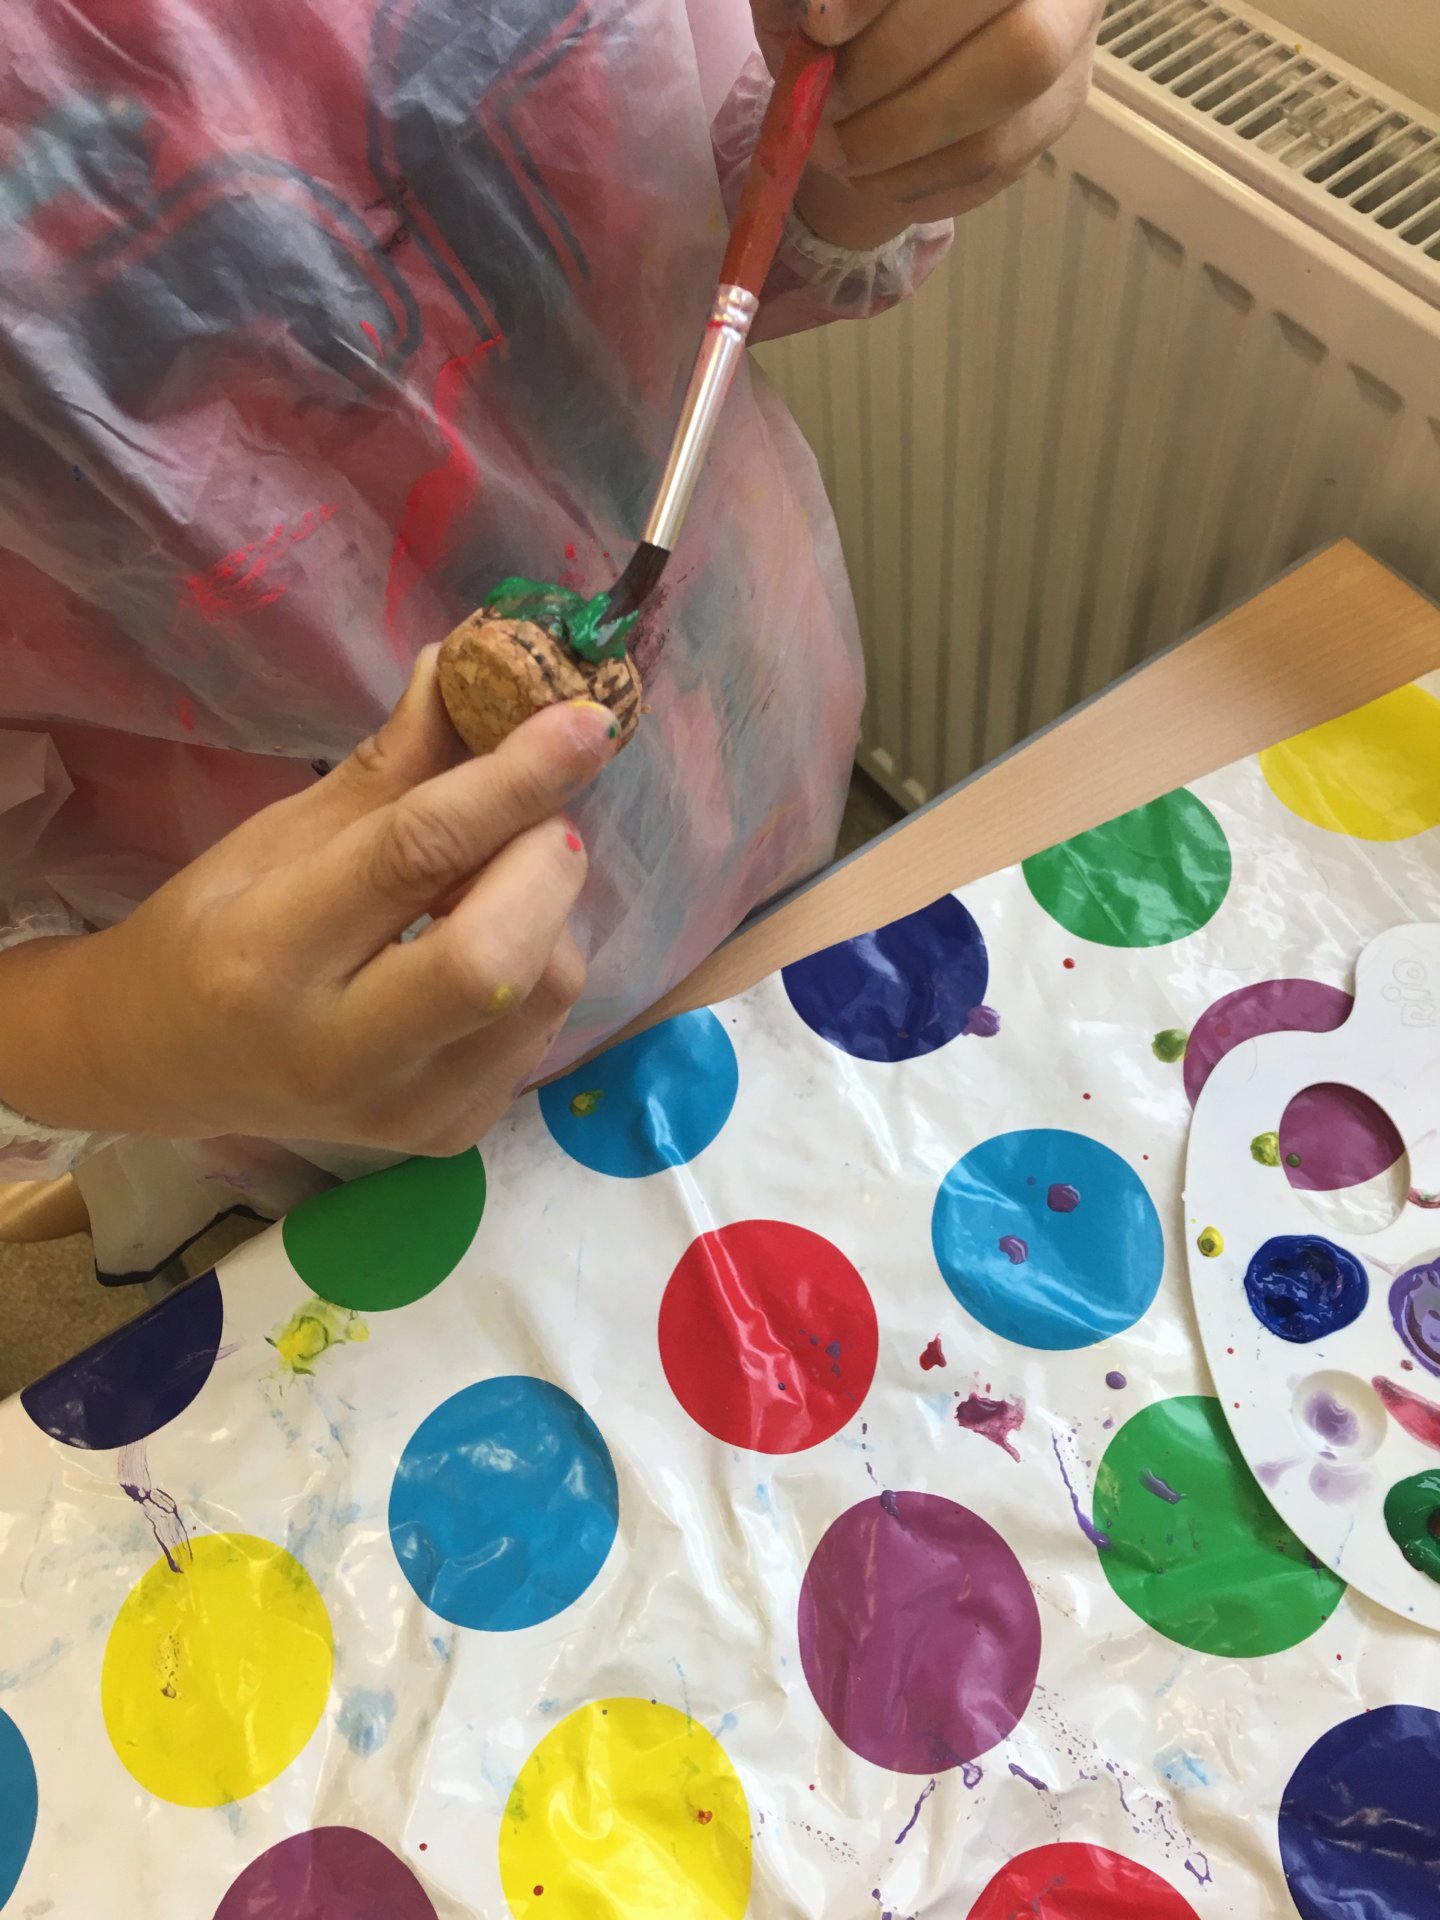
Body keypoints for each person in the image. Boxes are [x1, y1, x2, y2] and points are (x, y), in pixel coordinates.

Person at [0, 0, 1102, 1283]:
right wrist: (121, 1037)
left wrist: (894, 115)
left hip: (755, 771)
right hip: (342, 1047)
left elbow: (720, 173)